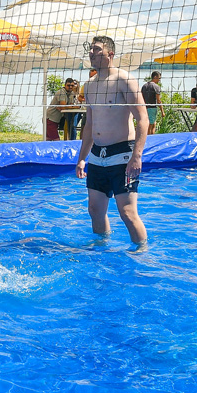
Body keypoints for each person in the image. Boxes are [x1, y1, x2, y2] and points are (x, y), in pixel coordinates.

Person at [75, 35, 149, 246]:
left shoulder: (124, 80)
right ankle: (102, 249)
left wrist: (137, 156)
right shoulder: (89, 85)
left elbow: (142, 119)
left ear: (110, 54)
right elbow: (89, 125)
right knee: (95, 210)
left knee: (127, 213)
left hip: (122, 154)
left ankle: (141, 253)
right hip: (97, 156)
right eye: (91, 49)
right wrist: (82, 158)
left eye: (97, 49)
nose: (92, 53)